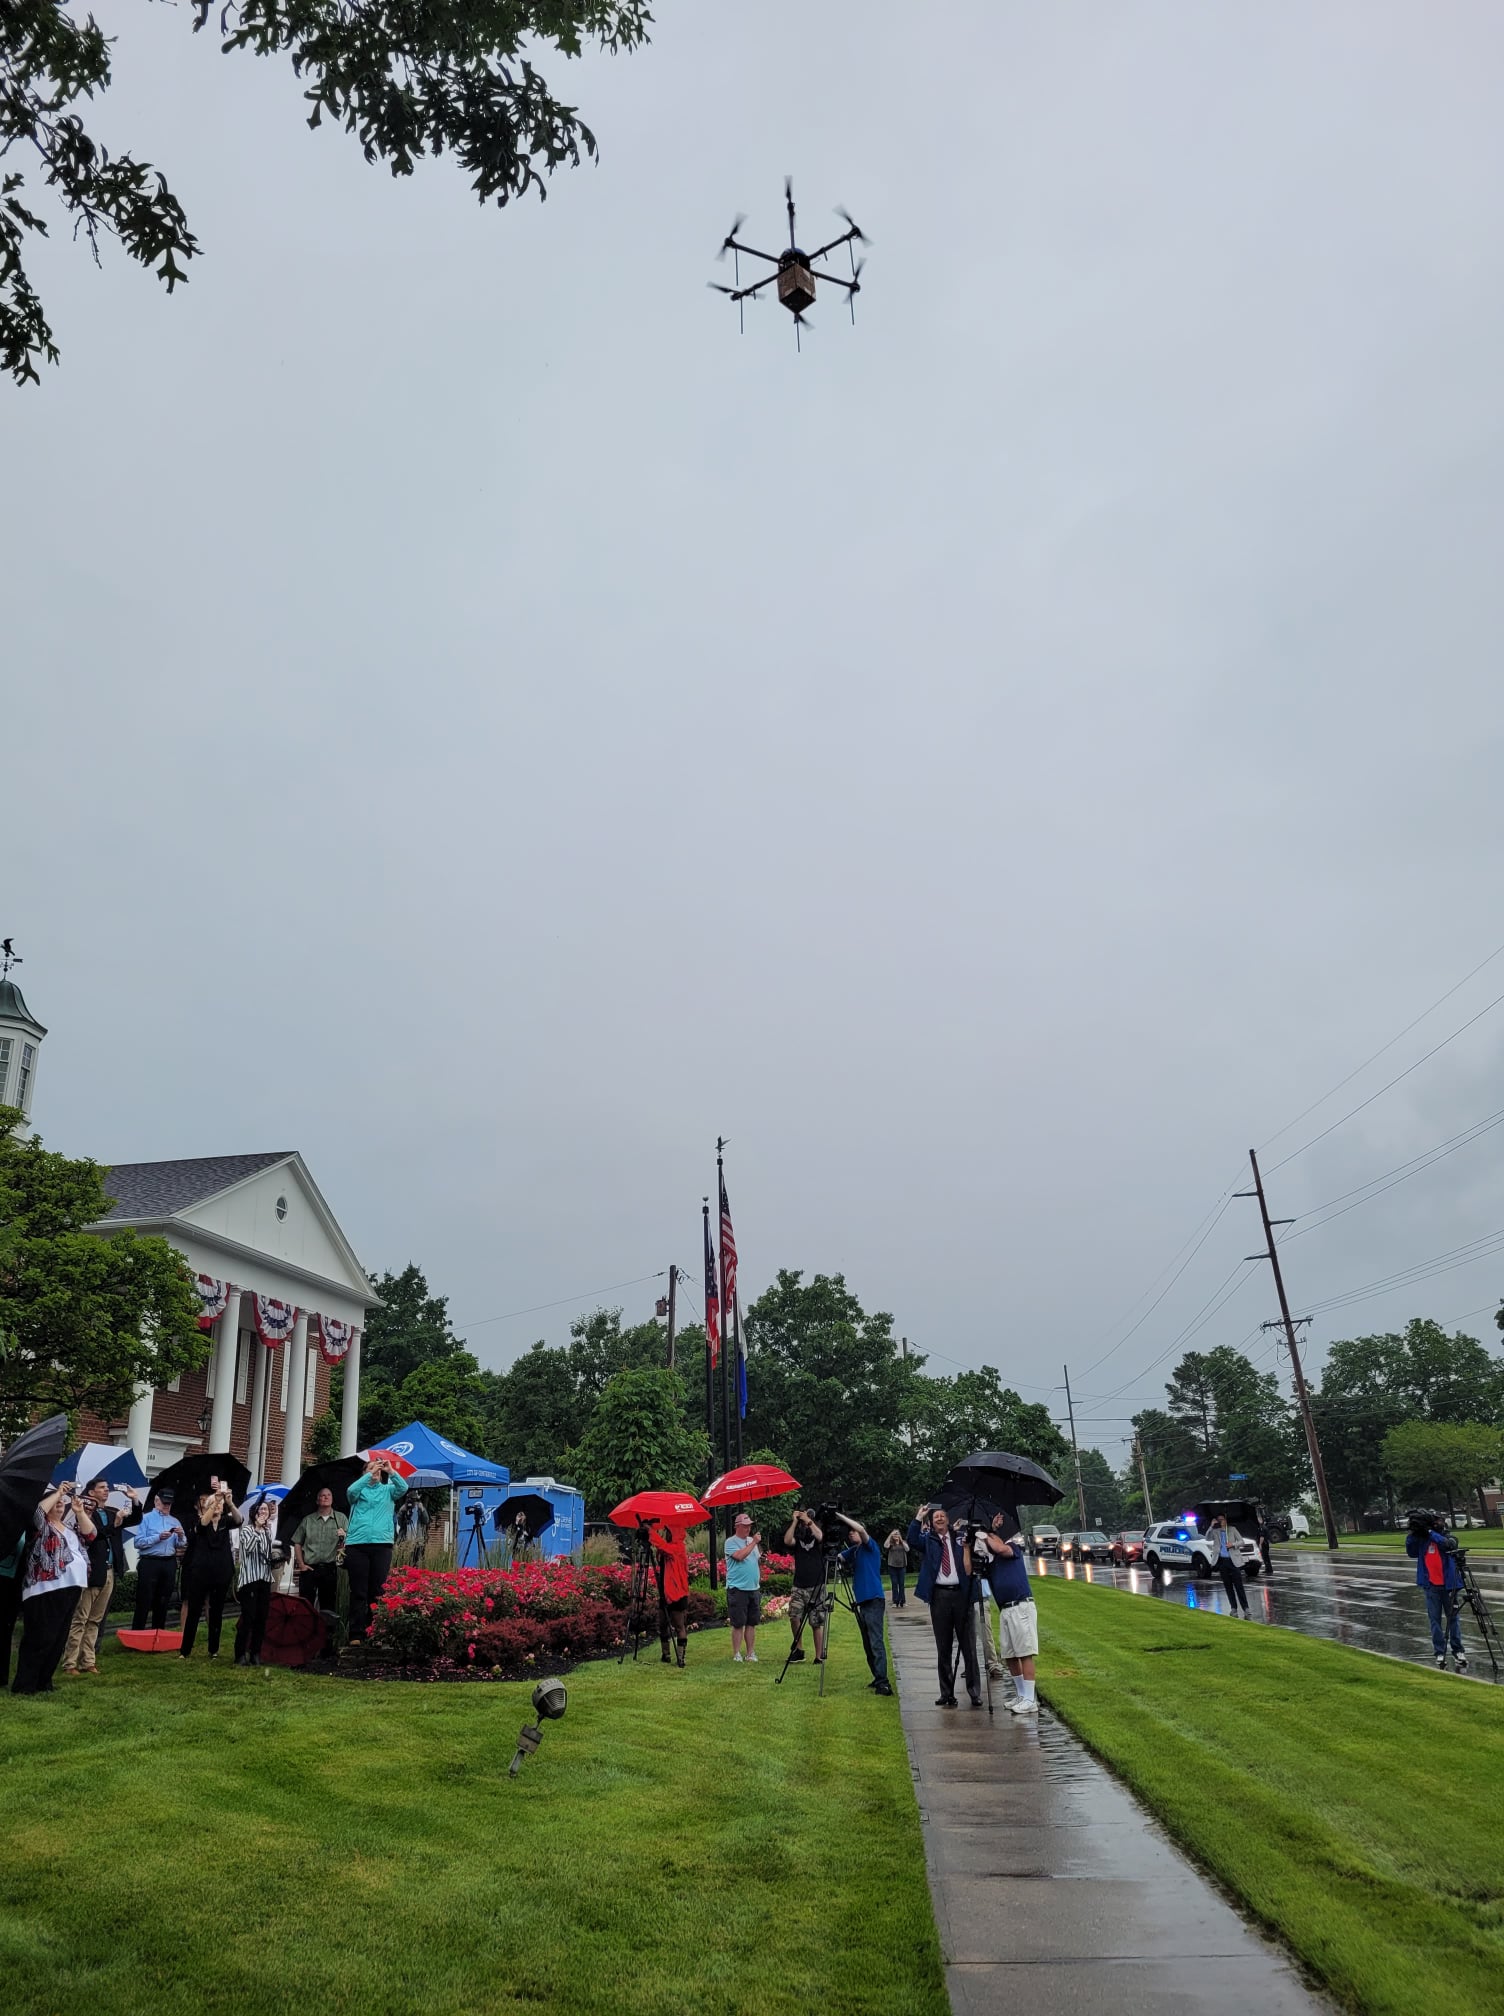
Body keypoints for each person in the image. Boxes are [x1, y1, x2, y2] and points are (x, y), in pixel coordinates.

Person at [11, 1481, 96, 1695]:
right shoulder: (40, 1527)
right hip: (44, 1588)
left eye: (62, 1502)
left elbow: (91, 1535)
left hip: (71, 1586)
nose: (60, 1504)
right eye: (56, 1503)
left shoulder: (69, 1527)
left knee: (58, 1637)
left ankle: (44, 1681)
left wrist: (79, 1512)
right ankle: (25, 1684)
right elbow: (38, 1513)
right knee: (40, 1636)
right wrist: (58, 1492)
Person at [907, 1503, 981, 1708]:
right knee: (943, 1646)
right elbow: (911, 1540)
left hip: (962, 1595)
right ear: (931, 1523)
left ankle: (974, 1692)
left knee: (969, 1647)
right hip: (940, 1596)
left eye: (942, 1516)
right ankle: (946, 1692)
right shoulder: (928, 1541)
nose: (939, 1518)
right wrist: (918, 1517)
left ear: (948, 1519)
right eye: (935, 1517)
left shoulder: (960, 1538)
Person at [967, 1512, 1040, 1715]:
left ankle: (1030, 1699)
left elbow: (999, 1548)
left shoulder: (1012, 1548)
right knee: (1010, 1654)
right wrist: (972, 1541)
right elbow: (972, 1568)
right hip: (1006, 1609)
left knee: (1024, 1653)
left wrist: (988, 1533)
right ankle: (1021, 1694)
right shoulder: (991, 1563)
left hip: (1020, 1605)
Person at [62, 1478, 125, 1675]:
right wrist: (114, 1525)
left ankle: (88, 1660)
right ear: (91, 1493)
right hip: (92, 1571)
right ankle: (70, 1662)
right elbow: (94, 1535)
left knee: (95, 1619)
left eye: (107, 1487)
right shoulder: (85, 1513)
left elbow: (134, 1519)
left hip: (109, 1570)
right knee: (81, 1618)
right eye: (102, 1488)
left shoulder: (111, 1512)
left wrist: (134, 1501)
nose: (107, 1490)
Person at [343, 1456, 408, 1641]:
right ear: (364, 1473)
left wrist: (391, 1471)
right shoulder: (359, 1491)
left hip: (382, 1545)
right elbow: (350, 1491)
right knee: (358, 1591)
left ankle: (375, 1633)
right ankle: (356, 1634)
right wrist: (369, 1474)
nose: (375, 1472)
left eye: (378, 1470)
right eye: (371, 1469)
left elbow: (403, 1488)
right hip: (357, 1545)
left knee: (378, 1591)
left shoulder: (388, 1490)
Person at [180, 1478, 242, 1659]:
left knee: (216, 1610)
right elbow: (203, 1524)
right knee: (194, 1609)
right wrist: (214, 1501)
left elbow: (239, 1520)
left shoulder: (225, 1522)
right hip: (200, 1572)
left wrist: (229, 1502)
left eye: (220, 1505)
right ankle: (185, 1650)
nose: (218, 1507)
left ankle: (213, 1649)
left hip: (221, 1571)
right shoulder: (201, 1522)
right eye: (215, 1504)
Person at [834, 1514, 893, 1695]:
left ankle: (883, 1682)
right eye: (849, 1532)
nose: (851, 1534)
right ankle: (877, 1676)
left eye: (853, 1531)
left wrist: (840, 1517)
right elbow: (838, 1557)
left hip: (873, 1599)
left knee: (875, 1641)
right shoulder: (855, 1551)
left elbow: (860, 1529)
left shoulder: (870, 1546)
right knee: (868, 1643)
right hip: (863, 1601)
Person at [1405, 1510, 1468, 1672]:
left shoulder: (1447, 1536)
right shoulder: (1422, 1540)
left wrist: (1430, 1532)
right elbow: (1411, 1552)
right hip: (1431, 1586)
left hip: (1449, 1586)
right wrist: (1413, 1532)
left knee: (1453, 1619)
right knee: (1435, 1621)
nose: (1439, 1522)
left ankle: (1458, 1650)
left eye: (1440, 1520)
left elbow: (1448, 1545)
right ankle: (1439, 1652)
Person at [131, 1487, 186, 1631]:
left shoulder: (175, 1521)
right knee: (144, 1599)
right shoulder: (145, 1518)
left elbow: (181, 1544)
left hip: (169, 1562)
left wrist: (181, 1536)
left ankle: (158, 1632)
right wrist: (157, 1538)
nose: (167, 1506)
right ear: (156, 1501)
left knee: (163, 1599)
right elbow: (138, 1542)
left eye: (169, 1503)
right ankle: (137, 1632)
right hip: (150, 1561)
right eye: (164, 1503)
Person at [234, 1497, 279, 1666]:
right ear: (254, 1513)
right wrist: (258, 1529)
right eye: (260, 1510)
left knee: (261, 1617)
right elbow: (249, 1547)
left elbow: (267, 1553)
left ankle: (256, 1653)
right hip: (249, 1579)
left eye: (266, 1510)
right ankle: (240, 1654)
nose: (263, 1512)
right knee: (248, 1617)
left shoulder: (268, 1532)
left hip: (264, 1578)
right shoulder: (247, 1530)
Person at [784, 1508, 829, 1663]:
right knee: (794, 1616)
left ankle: (818, 1656)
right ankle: (799, 1649)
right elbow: (787, 1540)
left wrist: (808, 1520)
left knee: (816, 1622)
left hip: (816, 1585)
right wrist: (795, 1521)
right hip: (799, 1585)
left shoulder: (817, 1535)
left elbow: (820, 1536)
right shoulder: (798, 1539)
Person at [291, 1487, 347, 1611]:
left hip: (330, 1568)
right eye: (322, 1495)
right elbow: (297, 1542)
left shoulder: (341, 1518)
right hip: (310, 1568)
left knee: (328, 1606)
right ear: (317, 1501)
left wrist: (344, 1536)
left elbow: (350, 1542)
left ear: (332, 1499)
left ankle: (326, 1624)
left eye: (329, 1495)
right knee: (305, 1605)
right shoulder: (308, 1520)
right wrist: (301, 1564)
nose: (326, 1497)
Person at [648, 1521, 690, 1667]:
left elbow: (663, 1546)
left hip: (677, 1592)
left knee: (679, 1625)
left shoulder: (678, 1547)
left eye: (668, 1531)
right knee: (662, 1623)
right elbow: (662, 1550)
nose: (666, 1534)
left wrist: (650, 1531)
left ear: (674, 1533)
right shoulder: (669, 1548)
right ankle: (665, 1654)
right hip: (666, 1592)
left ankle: (680, 1658)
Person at [723, 1510, 761, 1662]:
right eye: (745, 1526)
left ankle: (750, 1653)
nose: (748, 1528)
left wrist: (753, 1543)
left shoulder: (752, 1540)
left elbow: (756, 1559)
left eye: (749, 1526)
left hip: (753, 1588)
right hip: (738, 1588)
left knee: (752, 1623)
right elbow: (739, 1556)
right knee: (738, 1623)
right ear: (737, 1526)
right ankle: (737, 1653)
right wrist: (753, 1543)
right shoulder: (730, 1542)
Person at [1208, 1512, 1251, 1618]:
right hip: (1222, 1561)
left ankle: (1246, 1608)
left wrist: (1233, 1544)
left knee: (1238, 1585)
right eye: (1218, 1520)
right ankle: (1233, 1608)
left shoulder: (1232, 1529)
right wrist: (1211, 1526)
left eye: (1222, 1519)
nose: (1220, 1521)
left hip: (1233, 1561)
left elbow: (1241, 1541)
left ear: (1225, 1520)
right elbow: (1207, 1538)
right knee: (1228, 1586)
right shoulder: (1215, 1531)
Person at [0, 1534, 25, 1688]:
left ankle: (2, 1677)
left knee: (6, 1628)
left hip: (14, 1580)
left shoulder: (27, 1525)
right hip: (3, 1575)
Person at [884, 1527, 909, 1608]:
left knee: (901, 1584)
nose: (896, 1535)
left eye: (897, 1534)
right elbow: (885, 1545)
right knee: (894, 1584)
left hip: (902, 1566)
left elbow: (907, 1549)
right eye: (894, 1534)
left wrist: (900, 1539)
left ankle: (903, 1601)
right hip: (892, 1566)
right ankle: (895, 1601)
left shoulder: (903, 1543)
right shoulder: (891, 1544)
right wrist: (890, 1535)